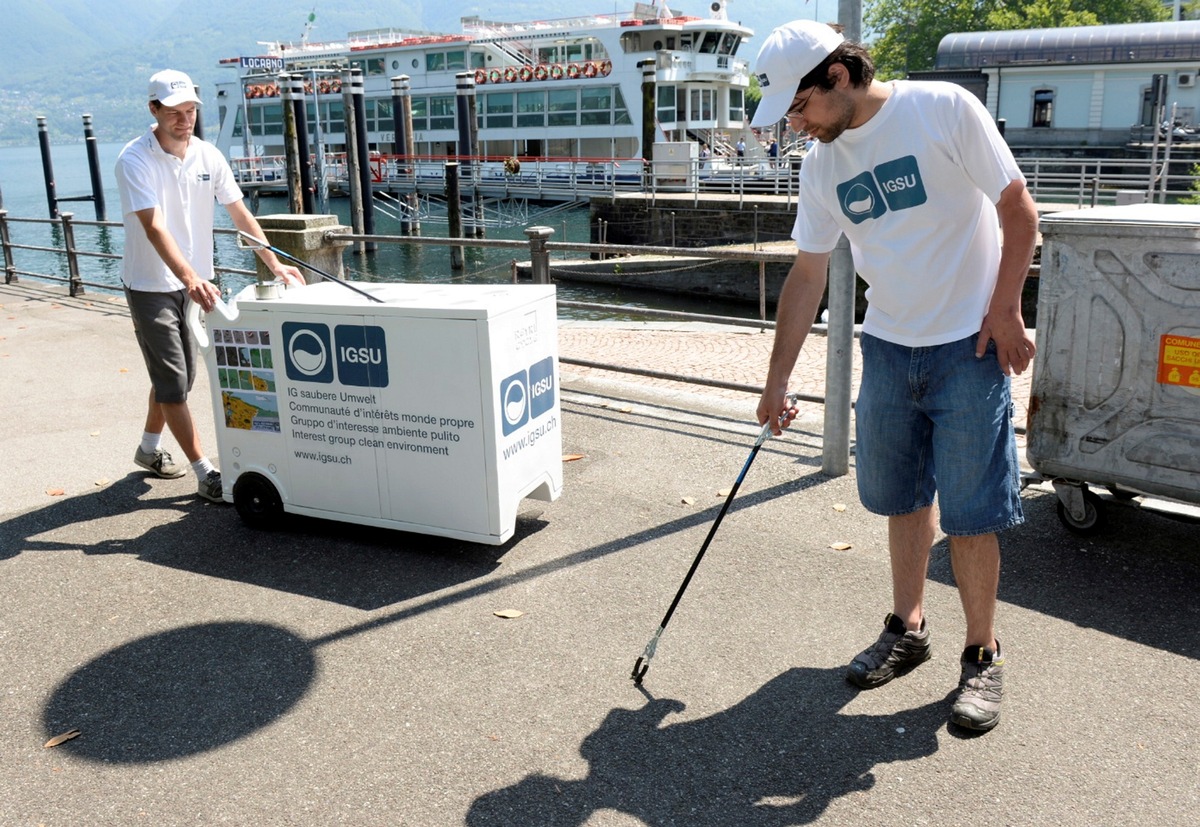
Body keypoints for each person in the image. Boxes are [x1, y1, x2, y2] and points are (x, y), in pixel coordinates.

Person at [751, 21, 1038, 733]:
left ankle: (982, 653)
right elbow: (807, 272)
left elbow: (1017, 208)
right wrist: (776, 379)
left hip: (966, 348)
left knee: (972, 514)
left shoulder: (940, 109)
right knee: (902, 498)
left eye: (800, 107)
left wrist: (1005, 308)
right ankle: (908, 627)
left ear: (839, 77)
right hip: (886, 348)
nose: (798, 126)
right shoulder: (822, 165)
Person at [115, 69, 303, 501]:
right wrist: (190, 277)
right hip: (150, 283)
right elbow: (154, 227)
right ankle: (206, 473)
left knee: (176, 378)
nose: (185, 120)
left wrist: (274, 264)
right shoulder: (134, 159)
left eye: (191, 111)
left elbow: (239, 214)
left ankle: (148, 448)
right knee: (174, 379)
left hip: (197, 281)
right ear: (154, 109)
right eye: (175, 113)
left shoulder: (208, 156)